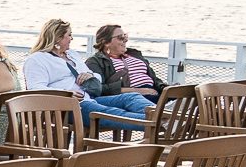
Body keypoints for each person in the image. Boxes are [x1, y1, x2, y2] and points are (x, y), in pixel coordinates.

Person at [22, 19, 153, 127]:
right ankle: (157, 124)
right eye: (69, 35)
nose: (72, 39)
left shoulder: (71, 54)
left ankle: (164, 116)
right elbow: (35, 89)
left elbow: (96, 77)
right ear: (57, 38)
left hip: (89, 98)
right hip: (65, 108)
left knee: (131, 97)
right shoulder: (37, 59)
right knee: (112, 112)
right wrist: (65, 94)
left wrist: (90, 75)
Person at [88, 24, 166, 102]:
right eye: (121, 37)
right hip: (132, 96)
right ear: (106, 42)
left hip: (154, 91)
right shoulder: (96, 61)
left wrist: (164, 88)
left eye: (125, 36)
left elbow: (154, 78)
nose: (126, 40)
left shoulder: (135, 55)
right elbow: (97, 88)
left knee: (176, 97)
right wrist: (135, 91)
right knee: (167, 106)